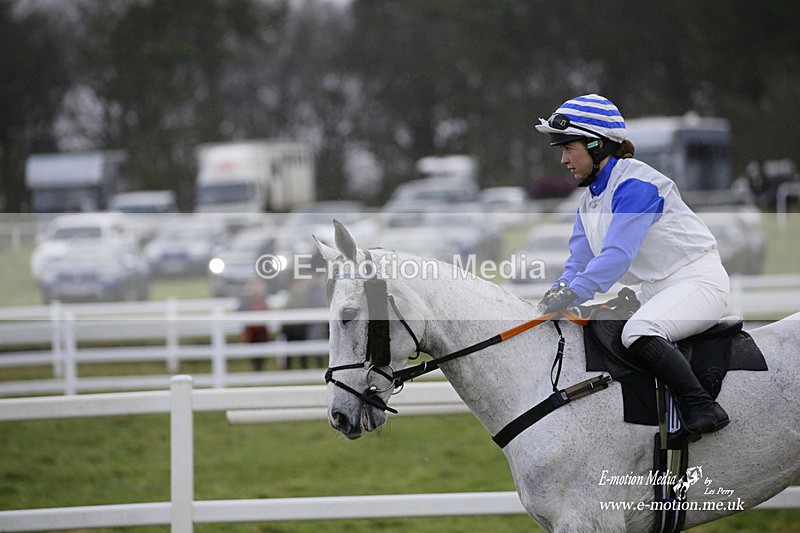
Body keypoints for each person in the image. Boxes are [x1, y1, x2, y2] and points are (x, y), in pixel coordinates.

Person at [534, 94, 730, 436]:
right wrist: (559, 290)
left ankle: (702, 407)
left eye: (569, 148)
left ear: (596, 145)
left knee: (639, 331)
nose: (564, 159)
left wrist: (575, 292)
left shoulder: (636, 185)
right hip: (656, 288)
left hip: (698, 283)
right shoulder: (590, 198)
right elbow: (579, 258)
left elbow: (615, 256)